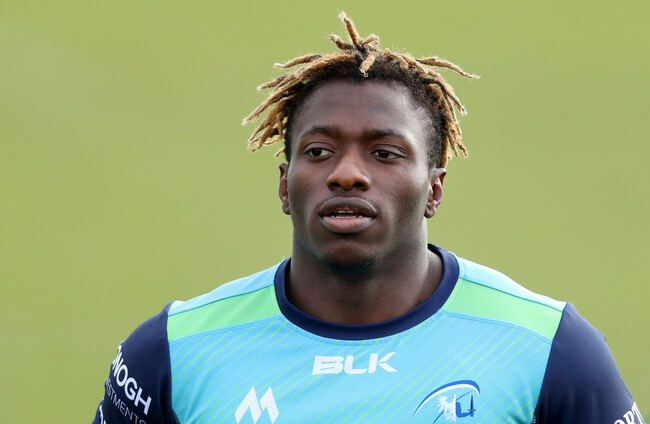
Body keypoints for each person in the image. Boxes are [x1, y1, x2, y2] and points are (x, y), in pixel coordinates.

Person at [92, 13, 644, 424]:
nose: (347, 174)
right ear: (285, 184)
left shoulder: (548, 350)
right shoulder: (174, 352)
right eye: (318, 151)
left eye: (384, 153)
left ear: (434, 189)